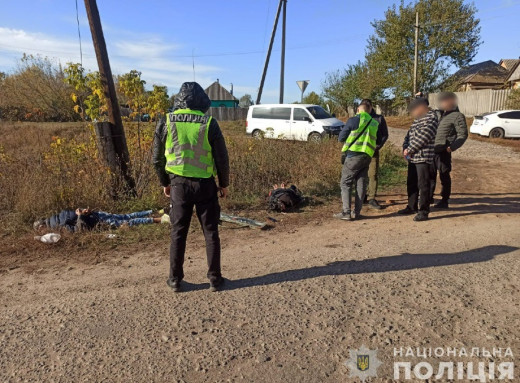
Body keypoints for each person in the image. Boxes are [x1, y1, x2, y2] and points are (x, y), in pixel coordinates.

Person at [152, 82, 230, 293]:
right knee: (211, 232)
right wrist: (223, 184)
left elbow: (156, 160)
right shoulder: (209, 122)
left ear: (179, 99)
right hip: (205, 185)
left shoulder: (166, 121)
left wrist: (164, 183)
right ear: (201, 101)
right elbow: (221, 158)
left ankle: (175, 280)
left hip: (178, 185)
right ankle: (215, 279)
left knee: (178, 232)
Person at [334, 103, 382, 221]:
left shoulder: (354, 120)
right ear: (370, 111)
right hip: (367, 157)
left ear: (358, 110)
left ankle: (346, 212)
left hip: (353, 156)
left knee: (345, 183)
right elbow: (379, 140)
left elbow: (341, 137)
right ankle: (357, 213)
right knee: (361, 184)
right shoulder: (375, 123)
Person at [398, 98, 438, 221]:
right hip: (413, 157)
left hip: (423, 157)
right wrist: (405, 147)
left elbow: (423, 137)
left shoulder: (431, 118)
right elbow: (409, 135)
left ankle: (424, 211)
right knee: (411, 183)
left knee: (423, 185)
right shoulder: (417, 120)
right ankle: (411, 206)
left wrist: (409, 149)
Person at [430, 91, 468, 209]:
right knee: (430, 175)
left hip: (444, 151)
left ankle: (444, 200)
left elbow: (462, 135)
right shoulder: (439, 114)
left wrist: (451, 147)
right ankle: (429, 196)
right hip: (432, 150)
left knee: (444, 175)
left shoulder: (457, 116)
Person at [358, 99, 389, 210]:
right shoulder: (359, 118)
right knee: (361, 174)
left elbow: (385, 134)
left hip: (373, 152)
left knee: (373, 174)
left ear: (371, 107)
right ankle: (362, 196)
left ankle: (372, 197)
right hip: (360, 152)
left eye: (368, 106)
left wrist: (378, 146)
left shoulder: (379, 118)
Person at [33, 208, 167, 233]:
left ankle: (159, 219)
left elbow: (79, 230)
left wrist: (81, 216)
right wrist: (83, 213)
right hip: (96, 215)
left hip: (96, 221)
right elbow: (76, 213)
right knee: (126, 217)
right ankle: (156, 212)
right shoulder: (58, 216)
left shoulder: (58, 227)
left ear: (42, 227)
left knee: (127, 222)